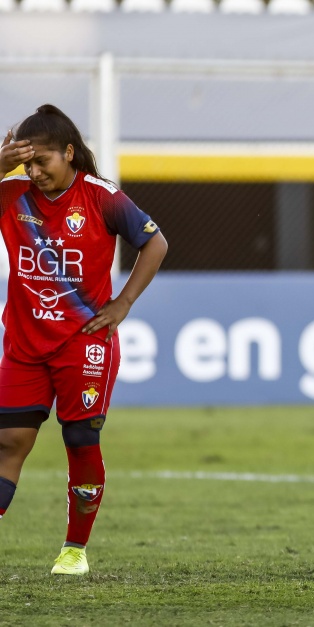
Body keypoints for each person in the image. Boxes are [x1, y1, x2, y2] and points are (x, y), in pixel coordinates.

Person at [0, 104, 168, 575]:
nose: (34, 172)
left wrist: (124, 303)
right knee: (8, 440)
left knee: (79, 438)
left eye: (43, 162)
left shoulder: (100, 197)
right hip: (25, 343)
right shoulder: (12, 193)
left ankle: (74, 550)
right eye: (27, 163)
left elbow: (155, 242)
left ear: (69, 153)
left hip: (83, 342)